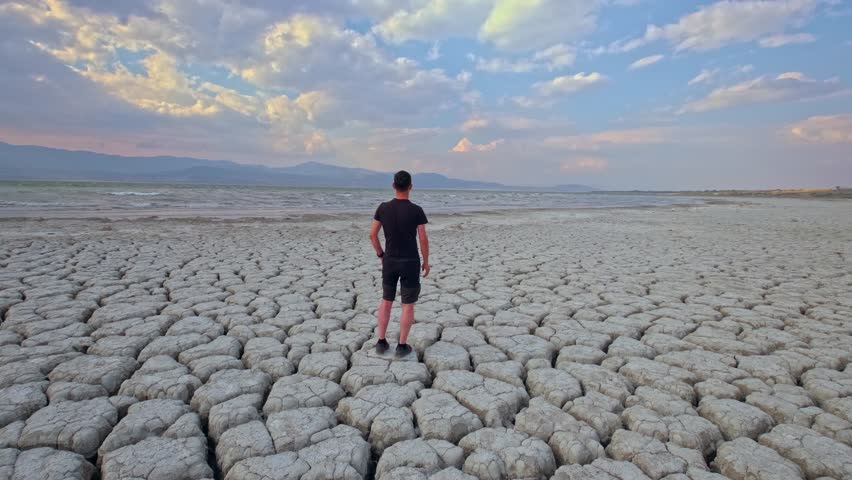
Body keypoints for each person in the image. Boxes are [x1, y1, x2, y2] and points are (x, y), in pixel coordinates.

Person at [369, 170, 430, 356]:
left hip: (390, 261)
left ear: (393, 186)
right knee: (408, 304)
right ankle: (402, 346)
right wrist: (426, 262)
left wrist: (381, 254)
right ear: (410, 186)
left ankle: (381, 342)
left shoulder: (383, 208)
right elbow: (423, 239)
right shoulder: (416, 210)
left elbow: (372, 235)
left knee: (386, 301)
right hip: (410, 261)